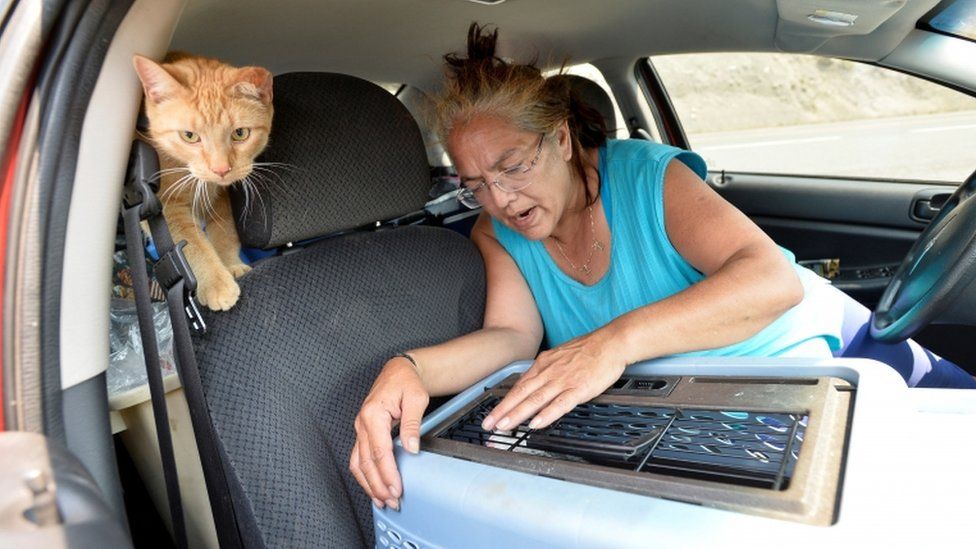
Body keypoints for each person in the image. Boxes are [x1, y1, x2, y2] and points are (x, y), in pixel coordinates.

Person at [349, 23, 975, 511]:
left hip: (815, 364)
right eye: (476, 185)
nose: (502, 200)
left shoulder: (646, 174)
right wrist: (410, 368)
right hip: (691, 411)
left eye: (513, 168)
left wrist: (611, 343)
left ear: (562, 140)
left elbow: (770, 278)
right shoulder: (496, 229)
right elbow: (512, 337)